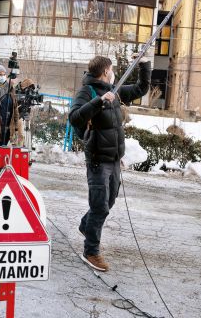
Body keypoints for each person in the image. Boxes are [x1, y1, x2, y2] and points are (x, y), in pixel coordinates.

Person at [68, 53, 151, 272]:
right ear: (106, 71)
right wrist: (98, 101)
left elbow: (141, 89)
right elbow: (74, 117)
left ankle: (86, 226)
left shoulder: (115, 91)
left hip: (114, 159)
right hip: (97, 159)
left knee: (109, 201)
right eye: (112, 69)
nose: (113, 72)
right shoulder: (89, 91)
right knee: (100, 206)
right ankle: (91, 251)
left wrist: (144, 65)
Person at [0, 65, 19, 146]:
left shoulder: (11, 90)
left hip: (8, 128)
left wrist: (16, 126)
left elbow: (15, 109)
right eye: (0, 75)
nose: (2, 76)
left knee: (3, 151)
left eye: (4, 74)